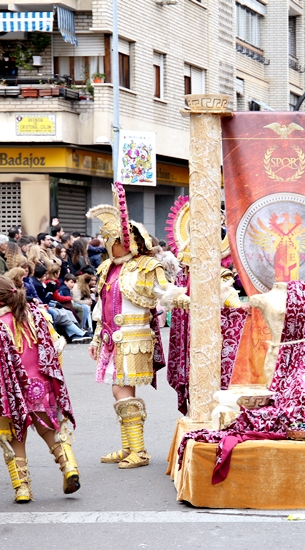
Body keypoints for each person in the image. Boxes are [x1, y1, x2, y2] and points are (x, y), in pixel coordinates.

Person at [87, 182, 190, 469]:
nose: (109, 242)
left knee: (123, 391)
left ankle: (139, 450)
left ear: (129, 239)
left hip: (134, 338)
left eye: (113, 237)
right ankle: (129, 446)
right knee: (118, 391)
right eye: (106, 238)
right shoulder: (107, 268)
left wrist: (187, 301)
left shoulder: (147, 265)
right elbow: (101, 309)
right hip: (111, 338)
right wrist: (96, 340)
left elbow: (165, 293)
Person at [0, 275, 80, 503]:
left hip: (9, 393)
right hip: (42, 387)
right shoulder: (37, 315)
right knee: (51, 431)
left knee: (14, 438)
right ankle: (69, 467)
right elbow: (57, 345)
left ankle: (22, 488)